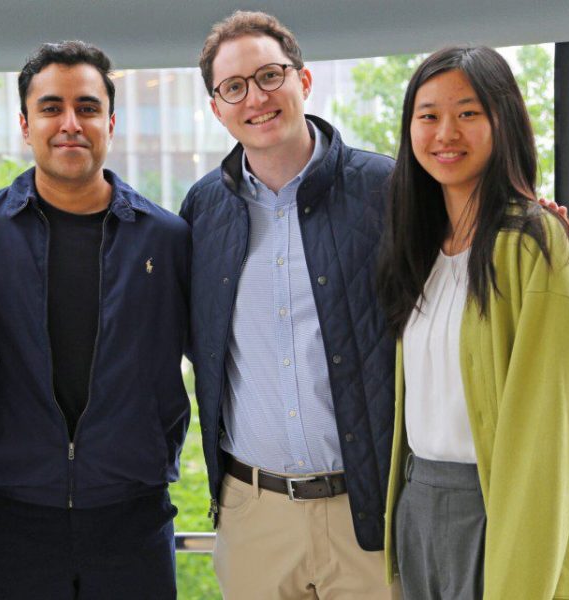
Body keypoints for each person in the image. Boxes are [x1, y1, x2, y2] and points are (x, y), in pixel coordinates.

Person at [377, 46, 569, 599]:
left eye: (468, 113)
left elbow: (552, 432)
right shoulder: (420, 246)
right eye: (429, 116)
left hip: (498, 505)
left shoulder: (534, 243)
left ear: (504, 123)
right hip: (419, 505)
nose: (446, 131)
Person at [0, 41, 190, 599]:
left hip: (135, 509)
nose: (70, 123)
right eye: (51, 108)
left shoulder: (166, 239)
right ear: (26, 126)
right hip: (13, 512)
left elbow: (213, 355)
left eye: (87, 108)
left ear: (111, 122)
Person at [180, 11, 400, 599]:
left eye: (270, 75)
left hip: (370, 513)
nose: (256, 97)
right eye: (234, 87)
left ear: (303, 82)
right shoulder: (201, 211)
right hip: (255, 515)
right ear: (217, 107)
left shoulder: (387, 189)